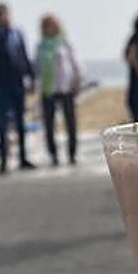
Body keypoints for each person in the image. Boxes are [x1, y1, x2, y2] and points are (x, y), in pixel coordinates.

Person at [0, 2, 36, 173]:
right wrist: (3, 31)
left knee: (21, 122)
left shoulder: (17, 33)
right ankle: (4, 159)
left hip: (17, 83)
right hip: (1, 85)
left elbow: (24, 56)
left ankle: (23, 157)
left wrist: (31, 77)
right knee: (2, 123)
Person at [35, 14, 82, 166]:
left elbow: (75, 64)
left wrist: (78, 81)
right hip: (48, 89)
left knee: (71, 122)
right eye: (45, 25)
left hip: (65, 87)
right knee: (49, 124)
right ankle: (53, 155)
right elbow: (37, 67)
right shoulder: (41, 46)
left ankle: (72, 153)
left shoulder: (65, 43)